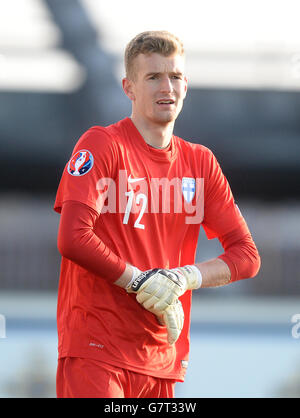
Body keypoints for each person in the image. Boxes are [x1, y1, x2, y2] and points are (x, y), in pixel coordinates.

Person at [54, 30, 261, 398]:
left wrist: (183, 278)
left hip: (161, 360)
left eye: (175, 76)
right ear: (128, 87)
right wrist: (139, 280)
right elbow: (73, 238)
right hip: (96, 351)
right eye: (153, 77)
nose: (167, 86)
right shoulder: (103, 144)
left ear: (186, 85)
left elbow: (246, 256)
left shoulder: (200, 162)